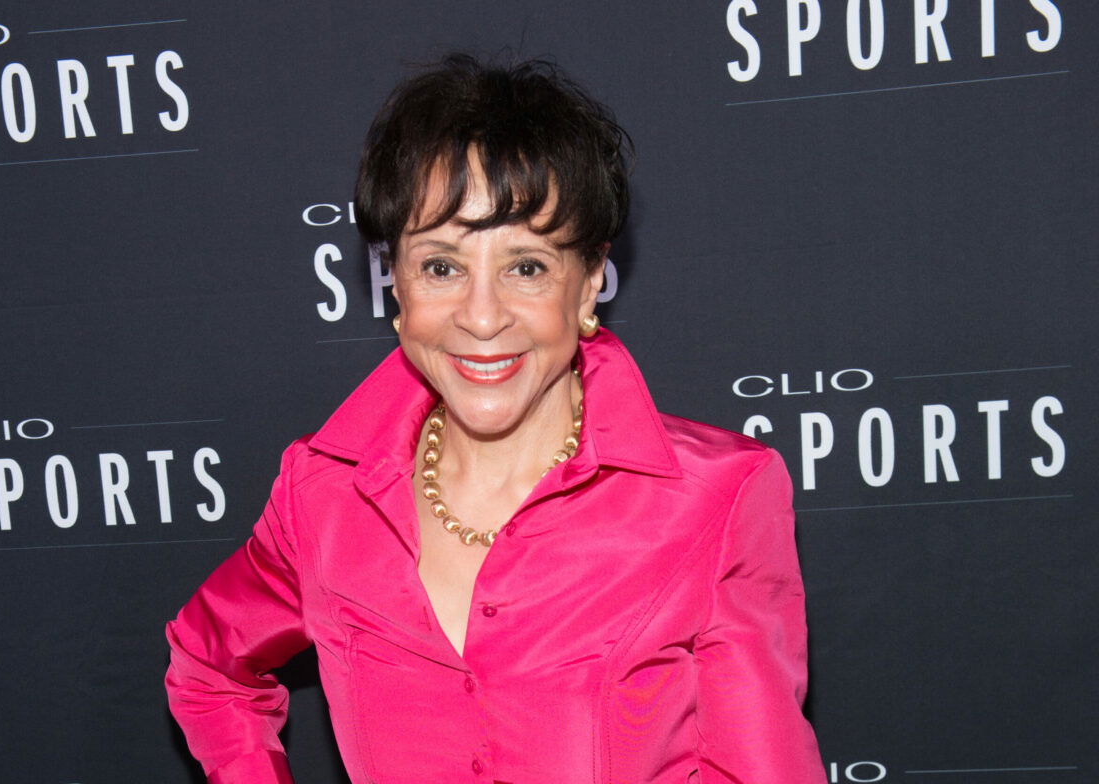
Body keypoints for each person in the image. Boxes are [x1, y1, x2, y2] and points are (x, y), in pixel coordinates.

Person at [165, 53, 825, 784]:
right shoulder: (320, 493)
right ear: (396, 283)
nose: (482, 318)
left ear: (589, 283)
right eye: (441, 267)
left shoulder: (717, 500)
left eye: (527, 267)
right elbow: (208, 667)